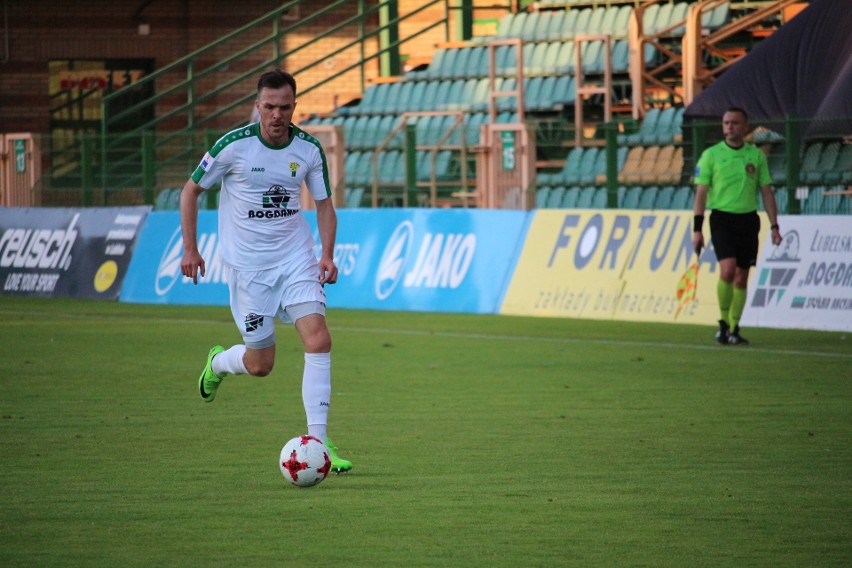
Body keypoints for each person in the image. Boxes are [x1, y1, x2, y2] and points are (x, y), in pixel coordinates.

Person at [179, 69, 352, 472]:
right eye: (269, 106)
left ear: (295, 107)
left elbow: (324, 205)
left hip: (295, 260)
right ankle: (218, 363)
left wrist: (326, 255)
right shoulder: (232, 147)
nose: (277, 114)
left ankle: (320, 444)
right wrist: (191, 248)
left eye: (285, 107)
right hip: (249, 270)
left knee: (319, 339)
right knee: (262, 364)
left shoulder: (308, 149)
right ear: (257, 106)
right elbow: (190, 191)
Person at [692, 106, 783, 345]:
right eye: (725, 123)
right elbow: (701, 193)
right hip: (722, 219)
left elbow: (766, 192)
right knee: (728, 270)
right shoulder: (711, 155)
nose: (729, 127)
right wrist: (697, 228)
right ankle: (722, 324)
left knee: (742, 277)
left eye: (734, 123)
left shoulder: (755, 156)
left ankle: (734, 328)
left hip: (748, 220)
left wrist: (774, 226)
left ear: (745, 127)